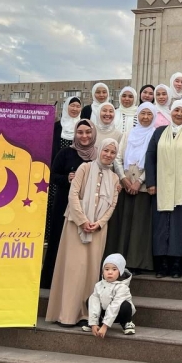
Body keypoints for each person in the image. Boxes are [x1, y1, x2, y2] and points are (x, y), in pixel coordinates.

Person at [45, 138, 121, 327]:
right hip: (75, 225)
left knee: (91, 272)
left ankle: (86, 314)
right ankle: (67, 315)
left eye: (112, 152)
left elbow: (112, 204)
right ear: (99, 150)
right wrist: (82, 220)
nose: (108, 155)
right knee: (73, 269)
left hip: (98, 230)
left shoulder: (114, 178)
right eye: (106, 150)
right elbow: (73, 194)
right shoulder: (84, 168)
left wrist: (99, 223)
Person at [146, 99, 182, 279]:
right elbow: (150, 157)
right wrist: (151, 183)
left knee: (181, 224)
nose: (179, 114)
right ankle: (162, 264)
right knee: (161, 225)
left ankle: (176, 263)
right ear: (171, 112)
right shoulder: (159, 132)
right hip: (162, 186)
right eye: (176, 110)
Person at [41, 119, 97, 289]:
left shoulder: (97, 155)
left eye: (88, 132)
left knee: (80, 242)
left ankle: (76, 282)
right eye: (80, 132)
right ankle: (51, 280)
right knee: (58, 240)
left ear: (93, 133)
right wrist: (67, 178)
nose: (84, 136)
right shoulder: (66, 153)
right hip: (64, 204)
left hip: (87, 206)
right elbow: (52, 175)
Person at [105, 103, 157, 272]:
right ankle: (119, 262)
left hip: (143, 187)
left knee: (140, 226)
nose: (145, 117)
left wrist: (140, 181)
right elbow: (118, 157)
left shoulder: (155, 135)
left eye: (149, 114)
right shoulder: (129, 133)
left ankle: (137, 262)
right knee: (123, 224)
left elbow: (155, 161)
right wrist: (123, 178)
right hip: (125, 185)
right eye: (142, 113)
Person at [84, 253, 136, 337]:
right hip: (105, 312)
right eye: (107, 269)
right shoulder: (98, 285)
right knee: (91, 299)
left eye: (114, 269)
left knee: (125, 305)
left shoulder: (123, 287)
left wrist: (105, 326)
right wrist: (93, 323)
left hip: (119, 314)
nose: (110, 272)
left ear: (120, 272)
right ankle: (98, 323)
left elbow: (115, 305)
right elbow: (94, 304)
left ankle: (126, 323)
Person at [52, 96, 81, 162]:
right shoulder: (56, 126)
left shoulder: (83, 126)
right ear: (66, 107)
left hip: (78, 164)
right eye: (72, 105)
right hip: (58, 163)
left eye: (78, 106)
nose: (75, 109)